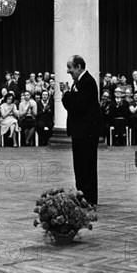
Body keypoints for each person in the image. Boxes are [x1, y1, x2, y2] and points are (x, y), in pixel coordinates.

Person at [60, 55, 101, 206]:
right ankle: (82, 194)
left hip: (87, 131)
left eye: (70, 68)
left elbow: (78, 105)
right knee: (80, 166)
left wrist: (66, 93)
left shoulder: (88, 82)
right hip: (80, 131)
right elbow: (72, 106)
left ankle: (89, 198)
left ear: (78, 67)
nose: (68, 71)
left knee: (87, 166)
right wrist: (68, 94)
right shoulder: (78, 82)